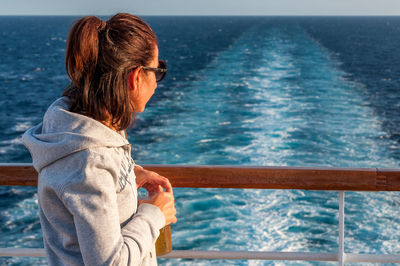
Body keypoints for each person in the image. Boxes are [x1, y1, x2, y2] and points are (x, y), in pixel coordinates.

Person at [22, 13, 177, 265]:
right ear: (135, 77)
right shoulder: (88, 161)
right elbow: (110, 262)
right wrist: (155, 213)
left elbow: (90, 181)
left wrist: (128, 174)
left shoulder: (94, 124)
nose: (158, 83)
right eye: (157, 69)